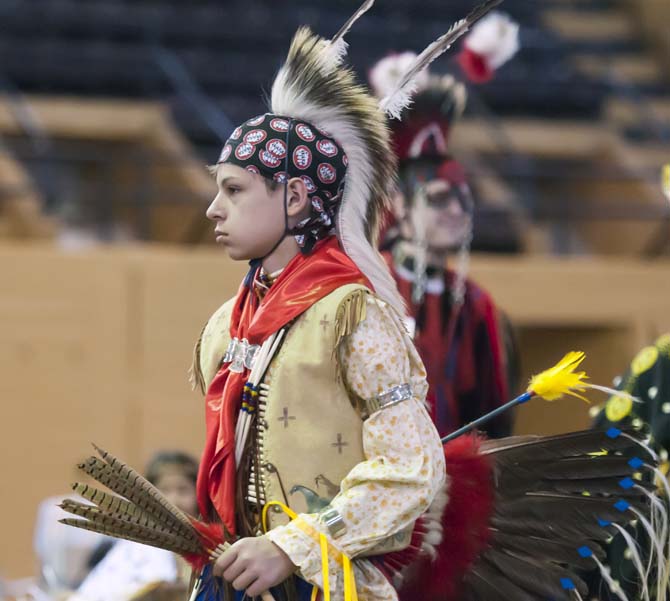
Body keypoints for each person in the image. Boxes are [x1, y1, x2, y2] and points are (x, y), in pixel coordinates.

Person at [369, 39, 519, 439]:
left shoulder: (475, 303)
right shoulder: (365, 288)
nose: (457, 211)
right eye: (438, 199)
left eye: (463, 199)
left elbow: (493, 418)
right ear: (399, 205)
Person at [70, 452, 199, 601]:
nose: (174, 500)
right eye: (164, 490)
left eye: (183, 490)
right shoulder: (131, 549)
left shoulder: (210, 549)